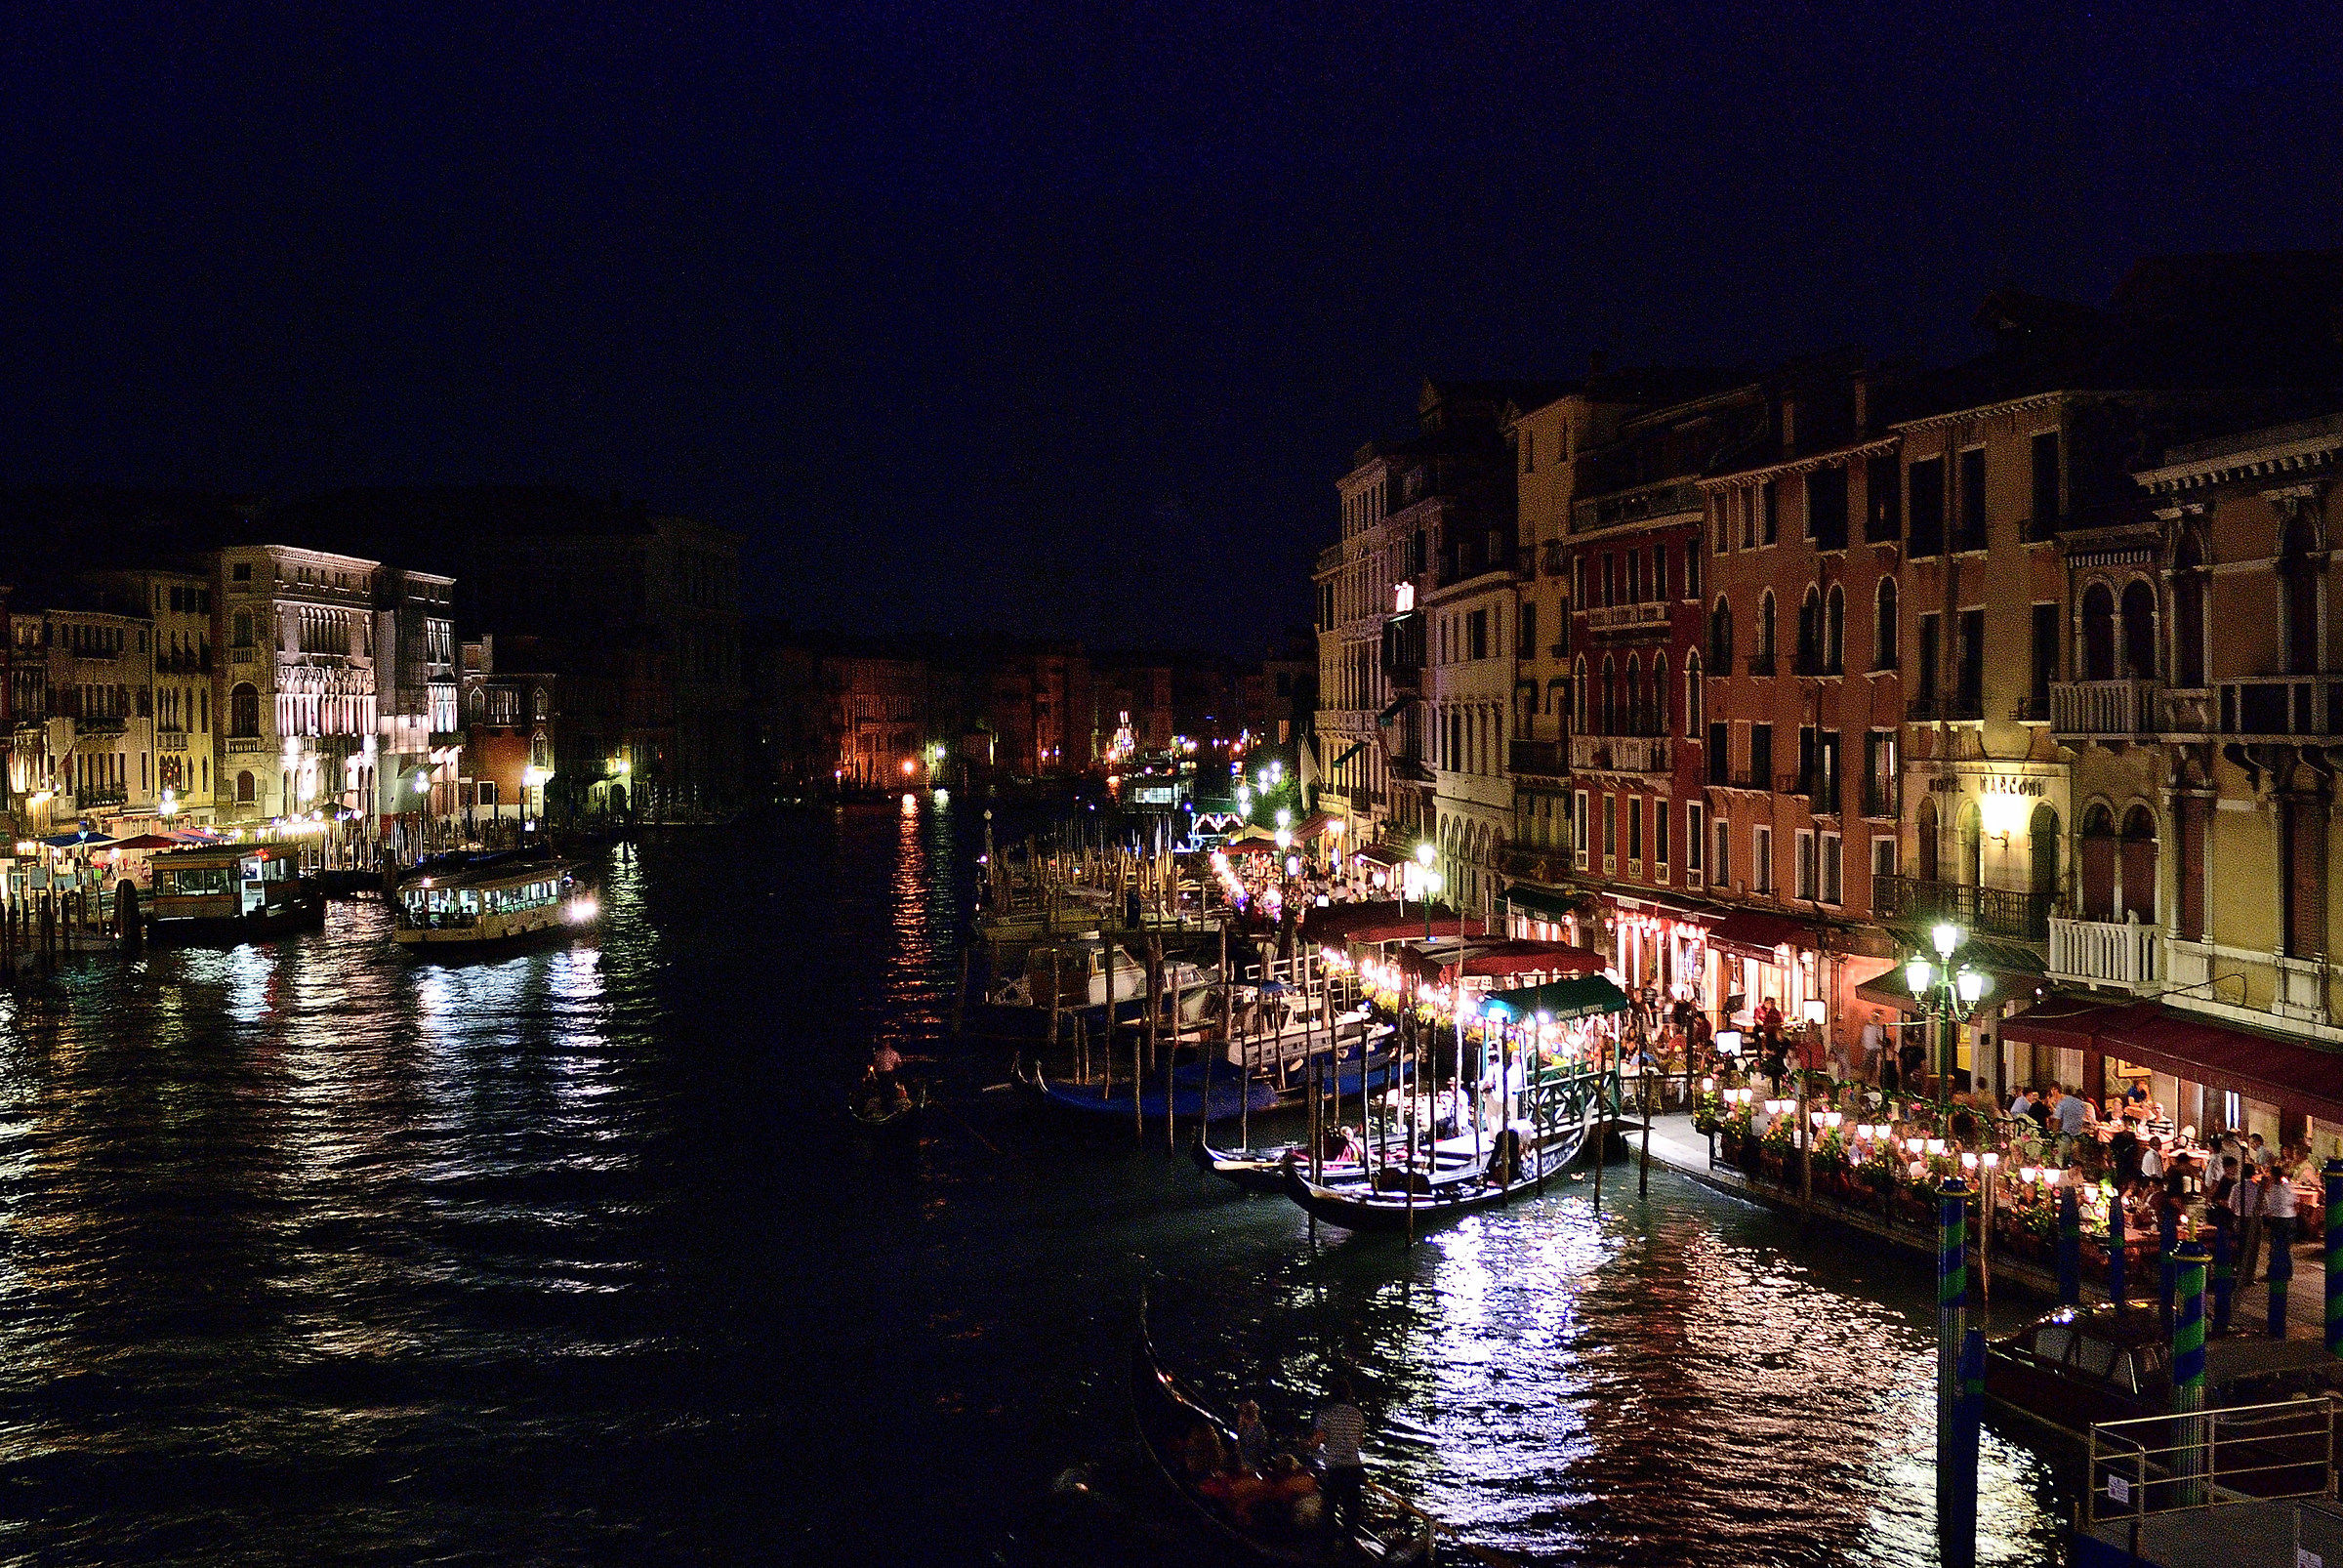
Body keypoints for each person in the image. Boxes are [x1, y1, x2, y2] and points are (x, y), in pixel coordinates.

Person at [1308, 1376, 1368, 1537]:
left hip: (1335, 1467)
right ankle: (1349, 1542)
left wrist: (1306, 1445)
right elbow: (1359, 1441)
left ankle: (1327, 1545)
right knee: (1352, 1510)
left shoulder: (1325, 1415)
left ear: (1331, 1394)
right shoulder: (1357, 1415)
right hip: (1354, 1467)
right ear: (1348, 1394)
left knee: (1329, 1508)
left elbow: (1317, 1440)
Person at [2236, 1165, 2269, 1285]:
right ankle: (2249, 1277)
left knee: (2241, 1247)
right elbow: (2265, 1206)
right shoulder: (2258, 1189)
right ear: (2253, 1174)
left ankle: (2239, 1274)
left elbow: (2232, 1204)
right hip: (2255, 1220)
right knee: (2253, 1249)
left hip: (2241, 1218)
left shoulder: (2237, 1187)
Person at [1234, 1399, 1270, 1474]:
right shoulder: (1244, 1428)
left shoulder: (1257, 1429)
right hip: (1245, 1462)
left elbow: (1259, 1446)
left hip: (1253, 1463)